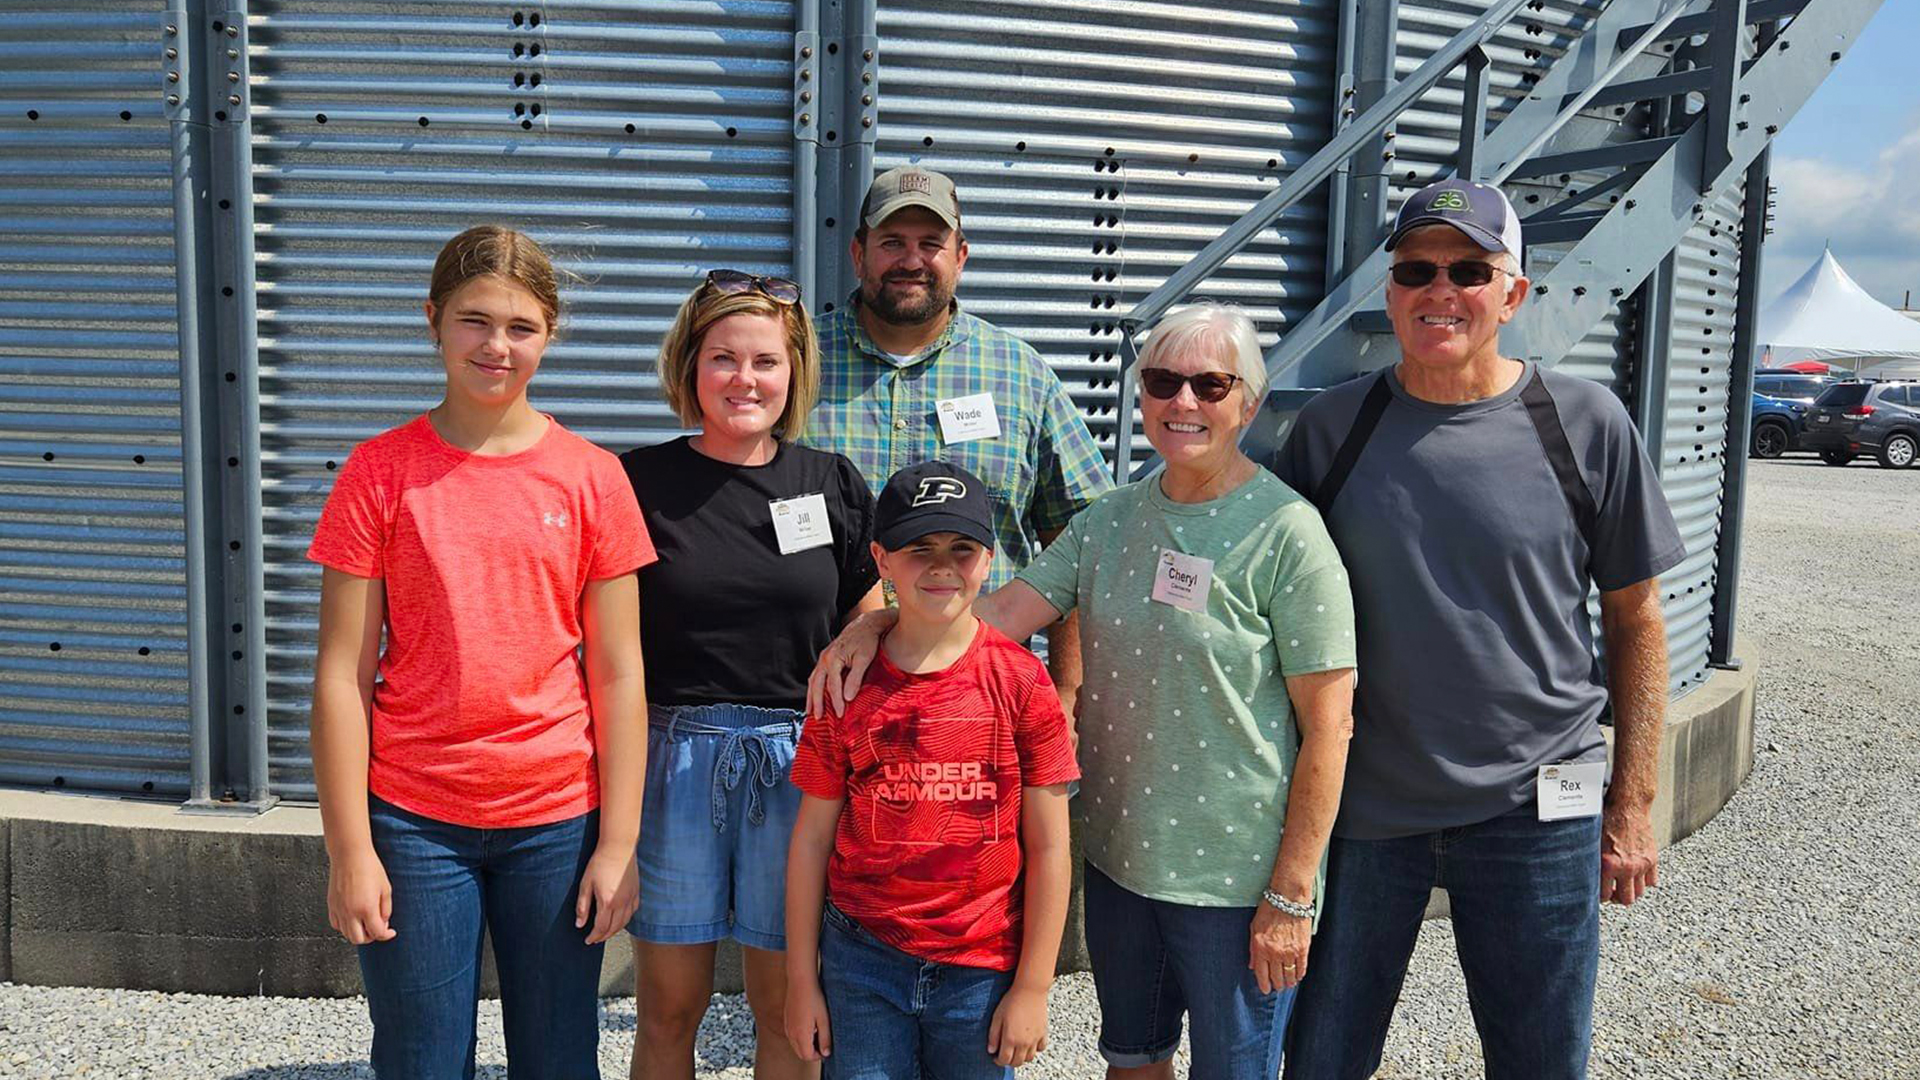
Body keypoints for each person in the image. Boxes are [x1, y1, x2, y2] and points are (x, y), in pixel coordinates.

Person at [808, 304, 1358, 1079]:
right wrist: (878, 623)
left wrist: (1293, 895)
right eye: (1164, 382)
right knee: (1132, 1061)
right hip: (1120, 859)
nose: (1185, 402)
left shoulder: (1288, 533)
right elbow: (992, 615)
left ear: (1250, 403)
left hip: (1235, 876)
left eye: (1211, 383)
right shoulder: (1110, 521)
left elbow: (1331, 727)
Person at [1273, 178, 1686, 1080]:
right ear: (1390, 290)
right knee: (1323, 1055)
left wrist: (1633, 802)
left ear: (1514, 293)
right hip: (1367, 806)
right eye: (1416, 268)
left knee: (1541, 1058)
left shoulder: (1587, 425)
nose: (1439, 289)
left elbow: (1636, 618)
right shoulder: (1333, 428)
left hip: (1539, 809)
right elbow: (1272, 615)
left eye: (1469, 268)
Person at [308, 225, 651, 1079]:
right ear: (433, 320)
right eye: (474, 320)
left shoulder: (592, 477)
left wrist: (619, 843)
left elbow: (618, 672)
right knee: (422, 1060)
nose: (497, 346)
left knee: (560, 1057)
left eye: (522, 327)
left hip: (558, 820)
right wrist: (350, 849)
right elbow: (342, 675)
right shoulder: (379, 474)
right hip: (414, 820)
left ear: (550, 335)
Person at [619, 269, 883, 1080]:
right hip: (673, 761)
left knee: (787, 1011)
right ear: (689, 367)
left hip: (798, 764)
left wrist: (867, 630)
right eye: (723, 358)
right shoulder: (635, 484)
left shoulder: (829, 482)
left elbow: (869, 601)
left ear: (793, 372)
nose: (745, 379)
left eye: (765, 361)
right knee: (668, 1009)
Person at [783, 461, 1079, 1080]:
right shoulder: (844, 686)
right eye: (920, 549)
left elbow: (1050, 846)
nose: (943, 566)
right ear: (881, 559)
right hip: (861, 958)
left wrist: (1033, 987)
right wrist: (800, 981)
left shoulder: (1023, 684)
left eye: (961, 548)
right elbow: (811, 839)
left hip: (982, 968)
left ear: (990, 559)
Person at [803, 165, 1111, 717]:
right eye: (892, 242)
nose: (911, 260)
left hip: (981, 705)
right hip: (825, 703)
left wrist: (1067, 689)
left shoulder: (1021, 375)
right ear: (857, 253)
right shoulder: (798, 364)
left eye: (931, 243)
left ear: (961, 257)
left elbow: (1078, 538)